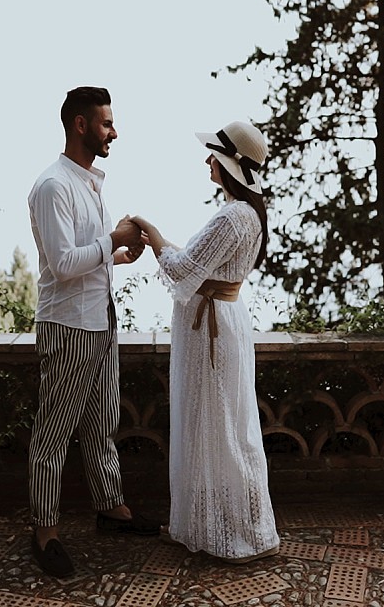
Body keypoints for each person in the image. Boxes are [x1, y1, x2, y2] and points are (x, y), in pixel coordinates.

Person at [128, 120, 281, 564]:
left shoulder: (233, 216)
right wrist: (161, 242)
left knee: (214, 424)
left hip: (209, 329)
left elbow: (180, 270)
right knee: (226, 423)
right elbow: (197, 263)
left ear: (230, 165)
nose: (207, 161)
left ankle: (226, 531)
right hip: (223, 321)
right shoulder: (249, 212)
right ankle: (211, 523)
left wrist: (145, 225)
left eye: (214, 155)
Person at [26, 86, 161, 578]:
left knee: (102, 422)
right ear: (80, 125)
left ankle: (111, 508)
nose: (114, 131)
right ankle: (44, 531)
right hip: (67, 325)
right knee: (54, 432)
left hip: (100, 321)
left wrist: (121, 254)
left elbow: (87, 256)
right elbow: (62, 265)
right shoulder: (52, 186)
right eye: (106, 123)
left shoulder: (88, 183)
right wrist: (112, 240)